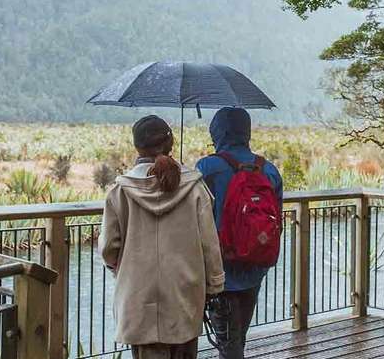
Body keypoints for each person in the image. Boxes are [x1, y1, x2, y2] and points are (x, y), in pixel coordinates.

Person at [99, 115, 225, 359]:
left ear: (137, 146)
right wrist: (214, 285)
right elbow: (209, 244)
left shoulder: (120, 190)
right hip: (184, 298)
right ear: (170, 143)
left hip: (138, 299)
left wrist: (120, 270)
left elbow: (108, 249)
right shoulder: (194, 187)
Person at [196, 107, 285, 359]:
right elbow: (276, 217)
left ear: (218, 132)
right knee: (237, 338)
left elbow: (194, 214)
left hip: (219, 268)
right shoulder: (268, 170)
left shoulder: (207, 167)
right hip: (255, 265)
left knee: (228, 343)